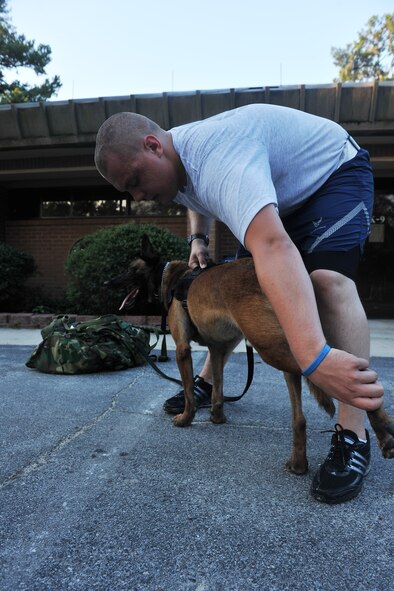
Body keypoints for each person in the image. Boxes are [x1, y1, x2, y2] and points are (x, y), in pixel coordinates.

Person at [94, 104, 384, 503]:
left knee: (326, 283)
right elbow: (193, 195)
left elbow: (272, 245)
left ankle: (352, 431)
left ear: (152, 146)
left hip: (332, 174)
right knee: (236, 290)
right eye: (128, 192)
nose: (139, 196)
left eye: (136, 181)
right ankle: (208, 381)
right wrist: (198, 240)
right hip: (283, 198)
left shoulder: (220, 157)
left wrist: (313, 357)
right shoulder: (176, 154)